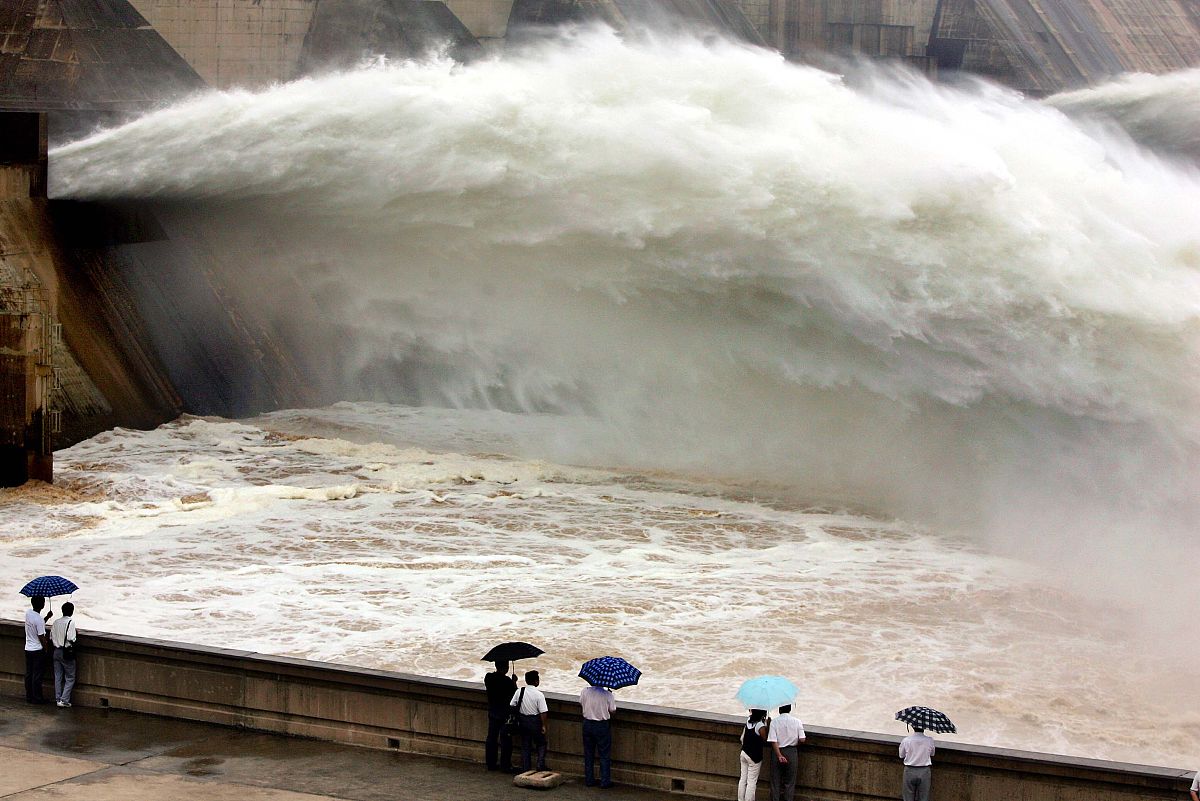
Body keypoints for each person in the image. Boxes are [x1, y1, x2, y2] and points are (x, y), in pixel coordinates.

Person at [510, 670, 549, 772]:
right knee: (541, 743)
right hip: (535, 721)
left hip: (523, 721)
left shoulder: (520, 691)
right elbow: (543, 712)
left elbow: (512, 704)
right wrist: (544, 725)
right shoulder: (539, 695)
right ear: (536, 681)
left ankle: (526, 767)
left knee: (525, 744)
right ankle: (540, 764)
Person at [580, 683, 617, 788]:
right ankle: (605, 781)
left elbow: (581, 702)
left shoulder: (584, 691)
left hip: (587, 723)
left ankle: (589, 779)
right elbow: (613, 710)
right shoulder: (607, 694)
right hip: (601, 725)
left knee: (588, 753)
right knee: (604, 754)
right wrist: (609, 695)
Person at [484, 660, 518, 772]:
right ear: (506, 667)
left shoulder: (488, 678)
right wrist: (514, 682)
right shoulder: (507, 681)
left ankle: (491, 763)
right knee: (506, 740)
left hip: (493, 712)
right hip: (505, 714)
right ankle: (505, 765)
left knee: (491, 738)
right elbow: (514, 695)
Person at [766, 703, 805, 801]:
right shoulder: (797, 722)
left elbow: (773, 741)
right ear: (790, 709)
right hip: (792, 751)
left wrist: (779, 755)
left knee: (775, 781)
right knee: (790, 782)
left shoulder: (774, 722)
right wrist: (795, 744)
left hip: (777, 752)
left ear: (779, 710)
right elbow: (802, 739)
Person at [23, 596, 51, 704]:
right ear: (42, 604)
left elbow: (36, 625)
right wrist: (46, 649)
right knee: (37, 675)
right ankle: (38, 698)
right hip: (37, 650)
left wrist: (47, 617)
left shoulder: (28, 613)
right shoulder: (38, 619)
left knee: (29, 674)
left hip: (28, 648)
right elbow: (41, 637)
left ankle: (29, 696)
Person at [50, 602, 78, 708]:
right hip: (66, 652)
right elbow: (71, 638)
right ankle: (64, 700)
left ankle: (57, 698)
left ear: (62, 611)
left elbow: (51, 637)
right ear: (72, 611)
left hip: (56, 651)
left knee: (58, 676)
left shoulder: (56, 622)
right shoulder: (71, 622)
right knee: (70, 677)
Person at [738, 708, 770, 801]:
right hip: (754, 757)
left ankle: (740, 799)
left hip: (744, 753)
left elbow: (742, 738)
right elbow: (765, 739)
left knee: (743, 779)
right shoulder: (760, 725)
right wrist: (768, 724)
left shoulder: (748, 720)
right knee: (751, 782)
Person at [898, 726, 935, 801]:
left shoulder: (906, 740)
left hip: (909, 770)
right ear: (924, 728)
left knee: (908, 797)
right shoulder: (929, 740)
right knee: (924, 797)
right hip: (924, 771)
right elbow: (932, 754)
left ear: (913, 727)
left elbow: (901, 755)